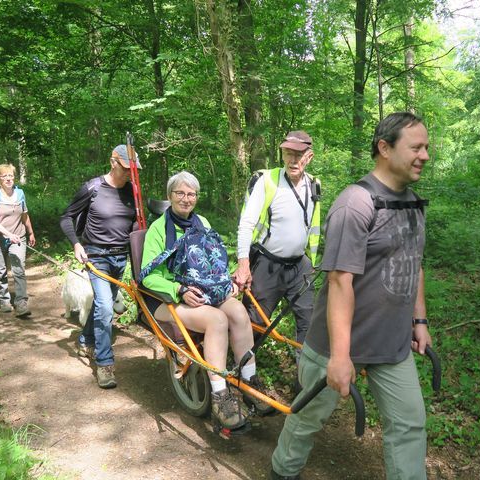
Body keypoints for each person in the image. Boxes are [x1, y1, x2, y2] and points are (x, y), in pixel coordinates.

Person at [271, 112, 433, 480]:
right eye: (416, 147)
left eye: (426, 147)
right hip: (335, 344)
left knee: (409, 426)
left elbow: (415, 262)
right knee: (308, 417)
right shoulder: (354, 204)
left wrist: (419, 319)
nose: (425, 155)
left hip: (391, 343)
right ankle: (282, 471)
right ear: (384, 148)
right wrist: (341, 357)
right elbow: (340, 281)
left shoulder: (412, 203)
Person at [140, 171, 274, 430]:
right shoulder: (158, 230)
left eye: (191, 194)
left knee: (238, 311)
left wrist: (227, 280)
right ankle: (220, 395)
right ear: (170, 196)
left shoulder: (202, 221)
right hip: (168, 298)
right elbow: (148, 276)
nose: (186, 199)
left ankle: (249, 381)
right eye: (180, 193)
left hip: (206, 291)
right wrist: (178, 289)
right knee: (217, 319)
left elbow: (216, 258)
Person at [234, 131, 321, 367]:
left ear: (309, 156)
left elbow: (312, 227)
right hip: (268, 265)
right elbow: (246, 224)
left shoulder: (314, 185)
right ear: (282, 154)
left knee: (308, 322)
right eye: (288, 153)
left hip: (301, 266)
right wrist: (244, 266)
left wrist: (312, 263)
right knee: (255, 322)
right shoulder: (268, 180)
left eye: (299, 154)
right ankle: (240, 370)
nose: (293, 160)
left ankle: (305, 379)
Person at [60, 145, 139, 389]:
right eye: (126, 168)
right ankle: (104, 364)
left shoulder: (133, 191)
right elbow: (66, 217)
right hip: (96, 255)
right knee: (106, 308)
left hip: (119, 258)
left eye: (133, 169)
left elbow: (136, 224)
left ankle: (85, 338)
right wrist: (76, 245)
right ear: (113, 162)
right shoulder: (92, 188)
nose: (130, 173)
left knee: (100, 304)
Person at [0, 164, 36, 317]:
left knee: (19, 270)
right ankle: (4, 299)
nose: (8, 179)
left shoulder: (20, 193)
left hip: (18, 236)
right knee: (0, 271)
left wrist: (31, 233)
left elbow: (25, 215)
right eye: (4, 176)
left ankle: (21, 303)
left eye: (11, 175)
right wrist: (8, 234)